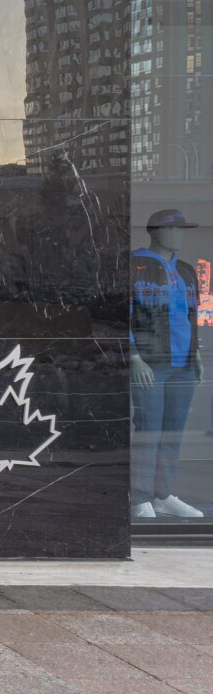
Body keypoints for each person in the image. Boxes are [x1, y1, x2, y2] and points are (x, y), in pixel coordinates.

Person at [132, 208, 206, 520]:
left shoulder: (187, 270)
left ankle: (162, 494)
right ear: (157, 232)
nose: (181, 234)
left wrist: (196, 354)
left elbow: (191, 317)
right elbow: (114, 315)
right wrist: (133, 356)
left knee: (172, 432)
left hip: (183, 364)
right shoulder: (133, 265)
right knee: (149, 429)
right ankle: (139, 497)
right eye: (175, 229)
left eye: (182, 229)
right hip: (151, 362)